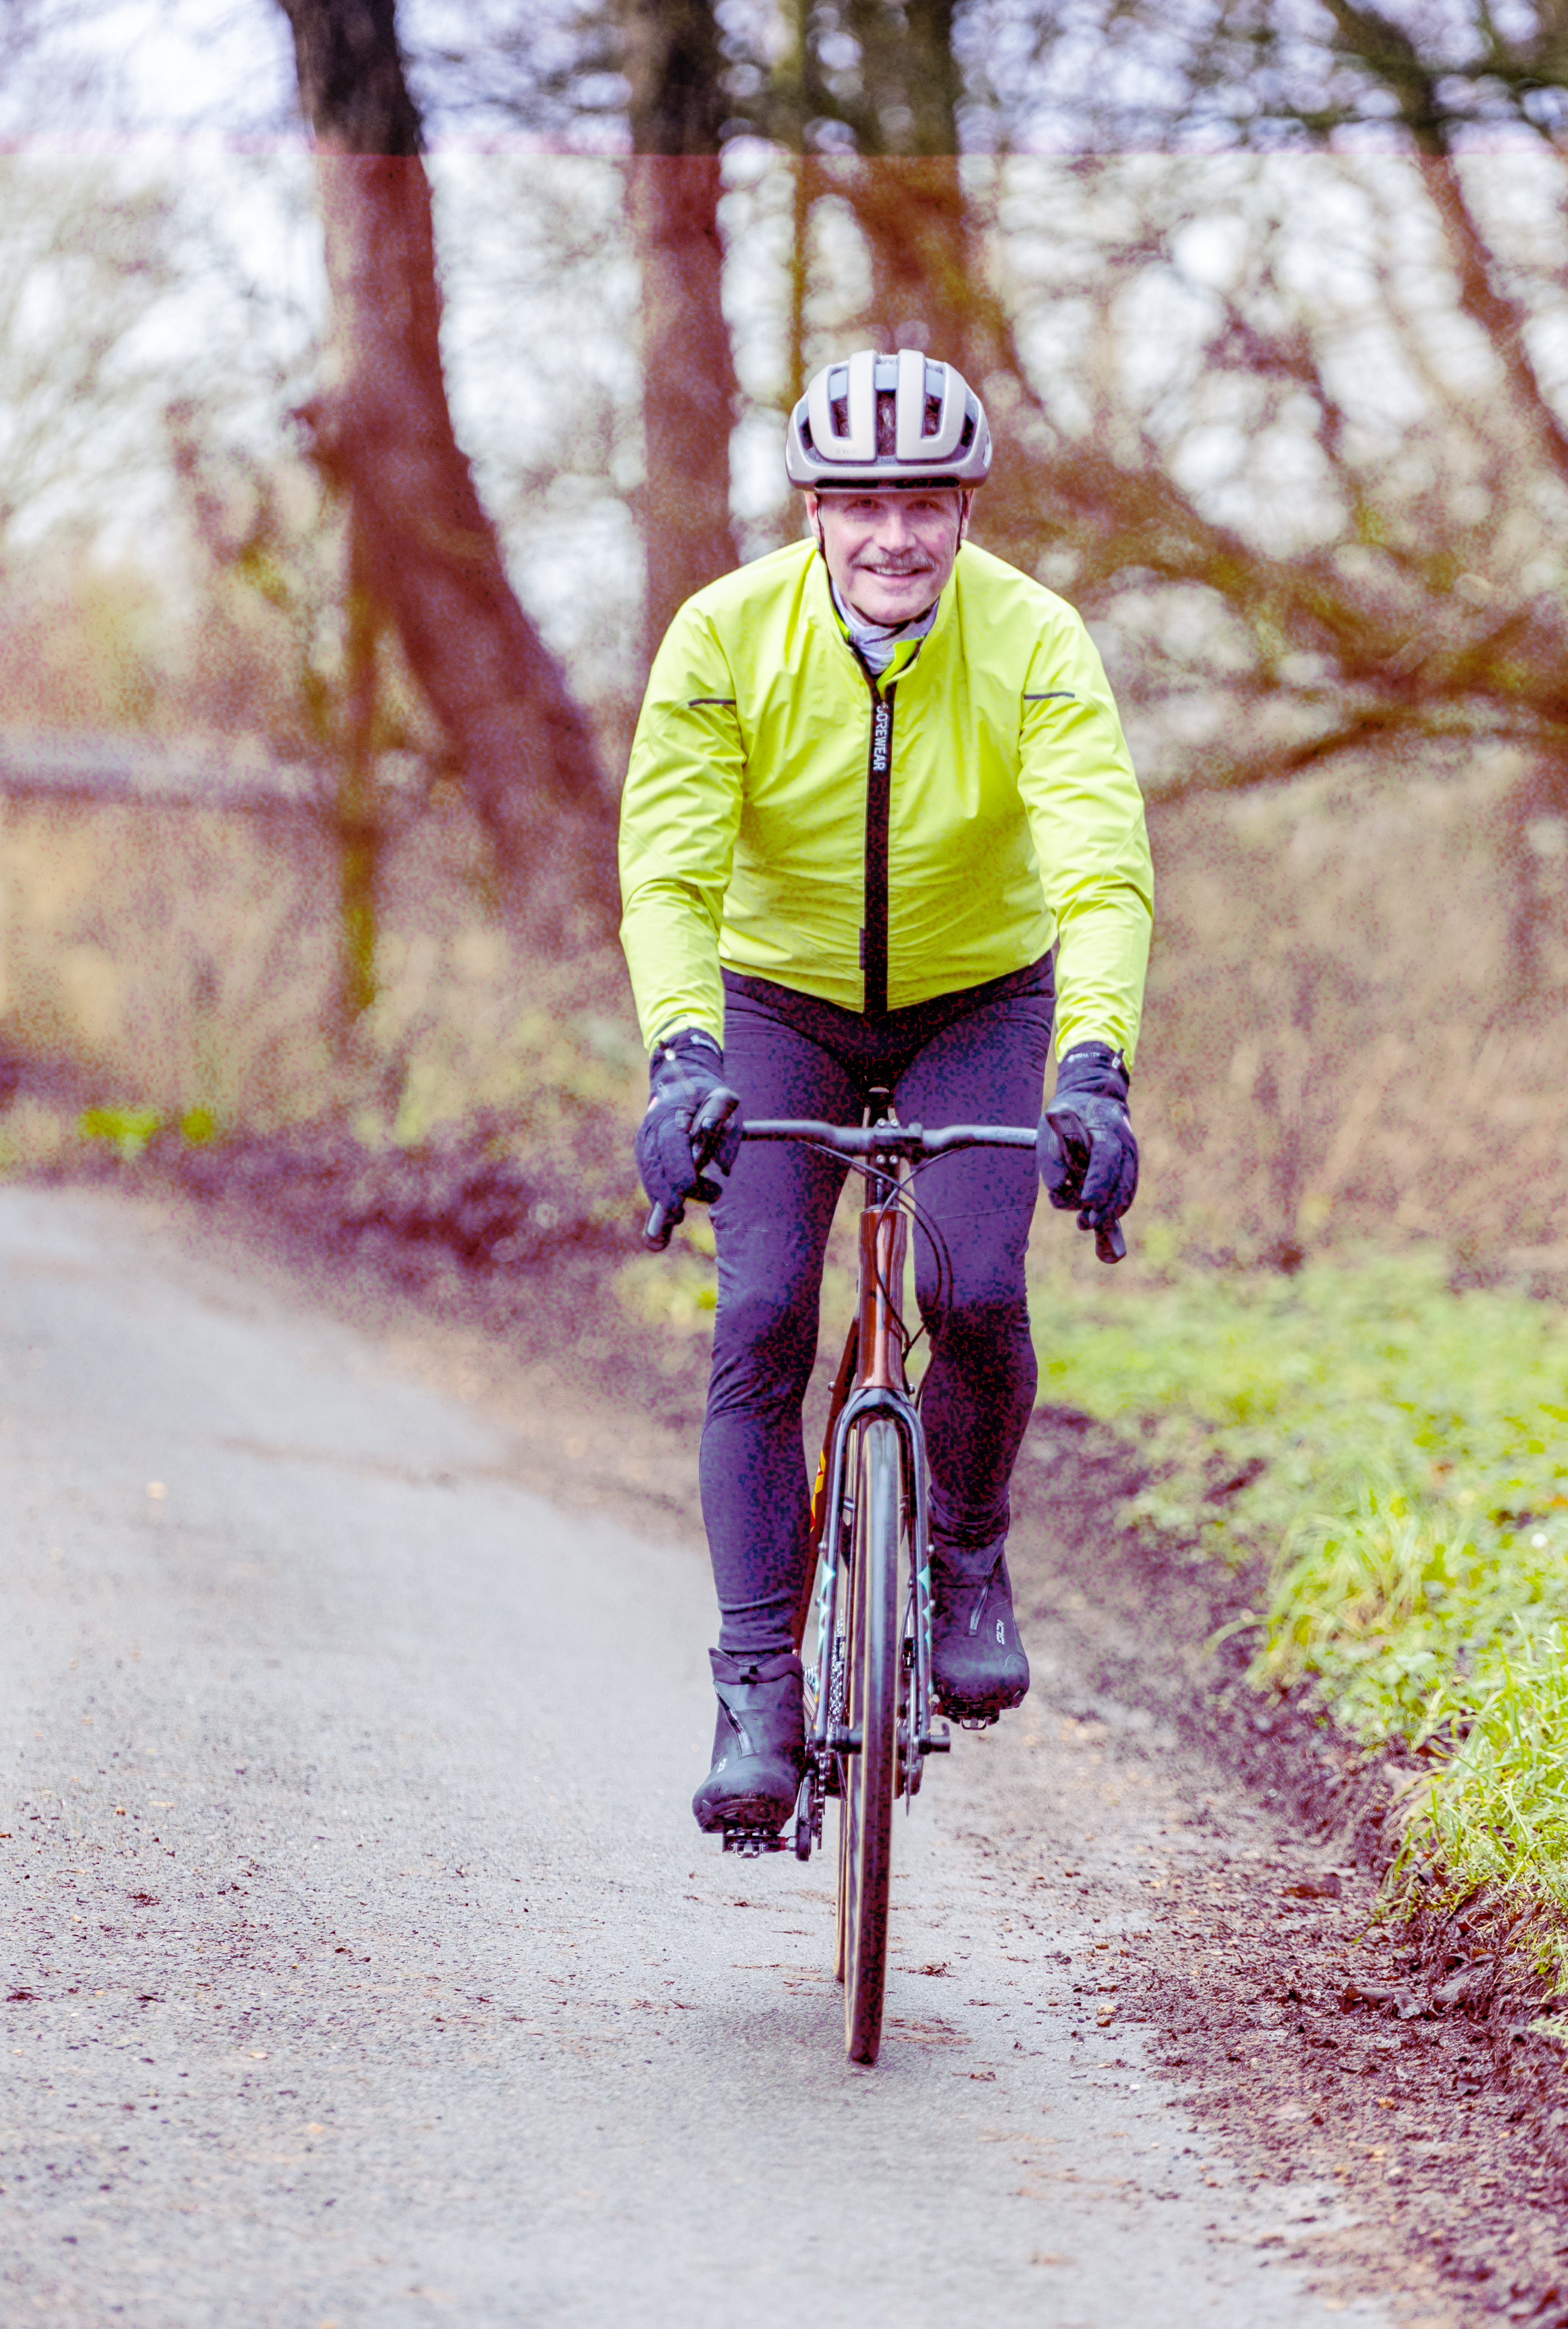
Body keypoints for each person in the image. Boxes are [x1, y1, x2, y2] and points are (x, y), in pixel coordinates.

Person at [619, 348, 1155, 1836]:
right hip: (773, 1001)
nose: (893, 536)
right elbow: (668, 868)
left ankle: (968, 1550)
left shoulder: (1035, 640)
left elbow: (1098, 867)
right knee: (766, 1311)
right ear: (813, 509)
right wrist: (684, 1055)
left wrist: (1094, 1067)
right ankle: (754, 1689)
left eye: (924, 500)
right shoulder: (726, 637)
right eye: (860, 502)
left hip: (978, 1000)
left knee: (978, 1288)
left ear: (968, 507)